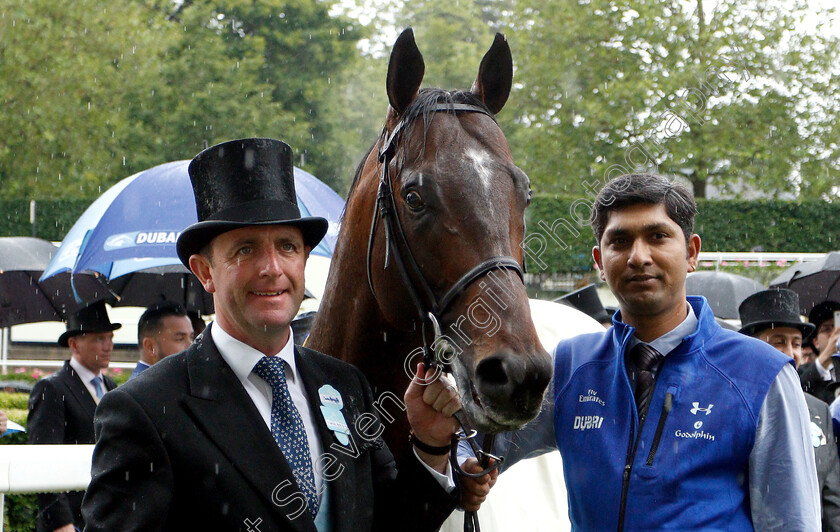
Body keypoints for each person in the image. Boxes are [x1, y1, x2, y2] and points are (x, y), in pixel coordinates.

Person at [82, 138, 460, 531]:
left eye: (287, 246)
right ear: (205, 272)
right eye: (246, 249)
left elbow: (390, 524)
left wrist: (431, 446)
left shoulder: (345, 385)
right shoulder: (145, 408)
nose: (272, 267)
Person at [465, 173, 820, 529]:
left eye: (658, 237)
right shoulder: (569, 367)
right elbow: (476, 449)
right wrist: (444, 441)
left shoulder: (760, 374)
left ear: (692, 252)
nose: (638, 256)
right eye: (619, 241)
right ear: (599, 263)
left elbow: (793, 521)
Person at [738, 288, 840, 531]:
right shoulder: (732, 404)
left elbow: (832, 499)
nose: (791, 353)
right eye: (779, 342)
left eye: (796, 343)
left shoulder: (819, 410)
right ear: (751, 346)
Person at [28, 301, 120, 532]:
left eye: (110, 337)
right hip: (72, 520)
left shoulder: (111, 386)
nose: (108, 345)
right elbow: (43, 462)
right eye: (99, 339)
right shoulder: (52, 389)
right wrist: (61, 524)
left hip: (105, 517)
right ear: (74, 344)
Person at [129, 301, 194, 379]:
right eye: (180, 339)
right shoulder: (145, 388)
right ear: (150, 347)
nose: (191, 346)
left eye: (191, 337)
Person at [801, 301, 840, 403]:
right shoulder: (804, 371)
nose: (834, 334)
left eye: (837, 329)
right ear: (816, 342)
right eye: (827, 329)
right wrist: (826, 357)